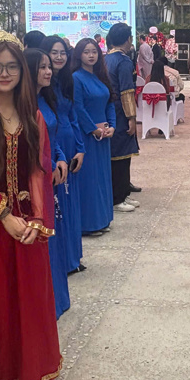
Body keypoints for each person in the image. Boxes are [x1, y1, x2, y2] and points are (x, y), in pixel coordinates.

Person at [0, 32, 61, 380]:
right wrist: (3, 215)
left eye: (11, 67)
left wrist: (37, 219)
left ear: (22, 71)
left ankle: (29, 375)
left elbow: (39, 169)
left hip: (27, 224)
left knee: (29, 300)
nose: (4, 74)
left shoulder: (32, 114)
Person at [24, 48, 72, 319]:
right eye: (41, 67)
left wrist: (61, 158)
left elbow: (51, 137)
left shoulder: (46, 98)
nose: (48, 71)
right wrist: (50, 164)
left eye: (48, 67)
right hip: (38, 179)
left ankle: (57, 298)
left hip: (53, 174)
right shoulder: (24, 105)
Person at [45, 35, 85, 273]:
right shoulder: (42, 85)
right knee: (58, 205)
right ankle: (62, 261)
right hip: (54, 146)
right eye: (54, 53)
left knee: (71, 204)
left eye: (62, 53)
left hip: (70, 145)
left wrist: (81, 148)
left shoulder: (67, 82)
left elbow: (73, 116)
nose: (59, 57)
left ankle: (72, 258)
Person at [72, 38, 117, 230]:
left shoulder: (101, 77)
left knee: (102, 178)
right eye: (86, 52)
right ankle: (89, 224)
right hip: (87, 137)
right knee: (89, 179)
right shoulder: (76, 78)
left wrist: (112, 126)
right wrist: (93, 129)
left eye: (94, 52)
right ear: (79, 55)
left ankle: (103, 219)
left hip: (104, 136)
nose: (91, 55)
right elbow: (78, 108)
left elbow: (110, 103)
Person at [105, 24, 140, 213]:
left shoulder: (106, 59)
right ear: (128, 39)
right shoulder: (124, 61)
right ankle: (118, 197)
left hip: (110, 110)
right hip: (121, 112)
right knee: (122, 155)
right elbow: (127, 92)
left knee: (115, 155)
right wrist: (132, 118)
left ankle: (122, 193)